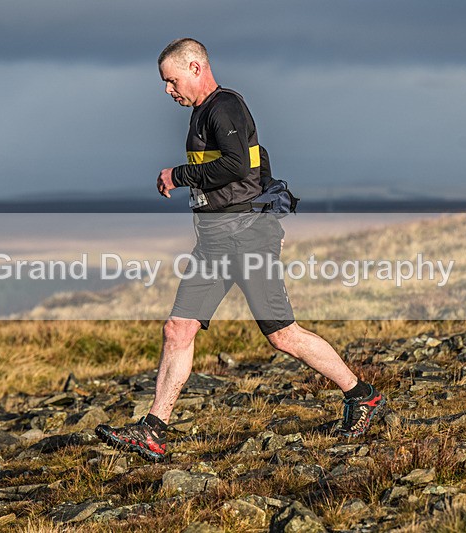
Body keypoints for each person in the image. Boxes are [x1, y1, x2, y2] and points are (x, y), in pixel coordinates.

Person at [96, 38, 386, 462]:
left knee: (283, 335)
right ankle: (153, 432)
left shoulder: (224, 106)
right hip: (217, 241)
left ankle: (363, 396)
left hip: (244, 239)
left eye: (171, 80)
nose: (167, 90)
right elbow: (259, 160)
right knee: (178, 329)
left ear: (195, 68)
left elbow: (238, 165)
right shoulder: (204, 112)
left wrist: (179, 175)